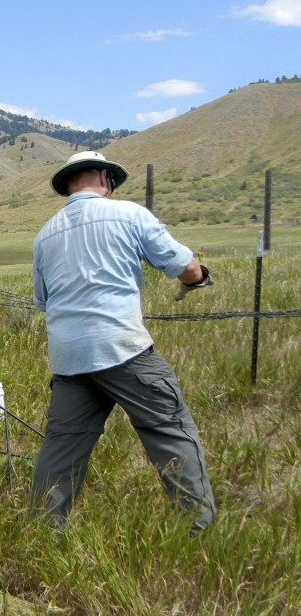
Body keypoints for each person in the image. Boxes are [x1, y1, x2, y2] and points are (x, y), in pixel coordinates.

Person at [30, 150, 217, 534]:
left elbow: (42, 300)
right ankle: (198, 534)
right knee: (171, 433)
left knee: (61, 450)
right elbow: (185, 266)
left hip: (69, 359)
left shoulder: (44, 235)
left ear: (68, 184)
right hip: (123, 349)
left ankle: (41, 534)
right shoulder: (130, 214)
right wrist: (197, 280)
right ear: (104, 177)